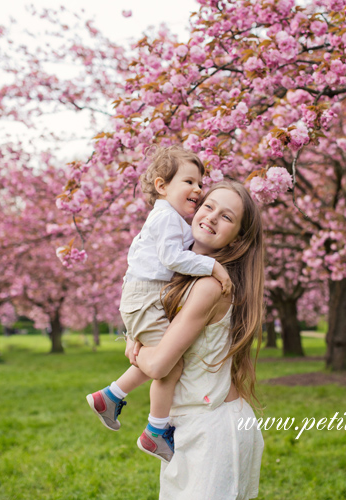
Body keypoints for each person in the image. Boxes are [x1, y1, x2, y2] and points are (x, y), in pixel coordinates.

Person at [87, 146, 232, 463]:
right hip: (145, 296)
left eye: (200, 184)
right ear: (162, 186)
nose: (197, 189)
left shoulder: (172, 219)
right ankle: (154, 432)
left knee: (162, 357)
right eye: (189, 181)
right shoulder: (166, 217)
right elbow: (171, 259)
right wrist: (213, 267)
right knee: (170, 365)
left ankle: (110, 396)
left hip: (147, 296)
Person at [131, 181, 265, 499]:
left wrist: (135, 351)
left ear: (239, 238)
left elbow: (160, 364)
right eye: (208, 206)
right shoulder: (191, 277)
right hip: (188, 423)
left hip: (213, 429)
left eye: (227, 216)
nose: (212, 217)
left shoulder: (209, 287)